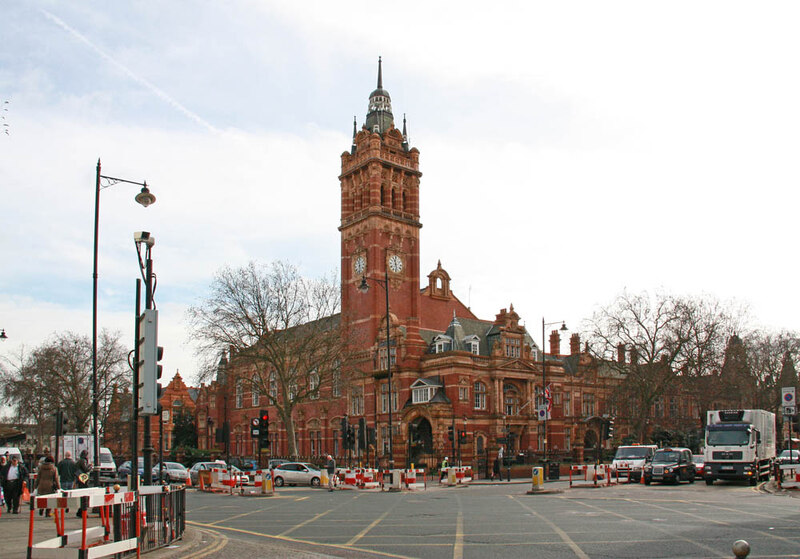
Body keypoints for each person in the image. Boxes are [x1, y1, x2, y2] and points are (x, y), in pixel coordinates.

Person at [75, 450, 93, 517]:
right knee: (84, 496)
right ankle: (83, 511)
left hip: (80, 479)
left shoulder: (79, 461)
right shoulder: (83, 461)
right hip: (83, 479)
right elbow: (85, 469)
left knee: (82, 496)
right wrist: (90, 467)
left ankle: (81, 511)